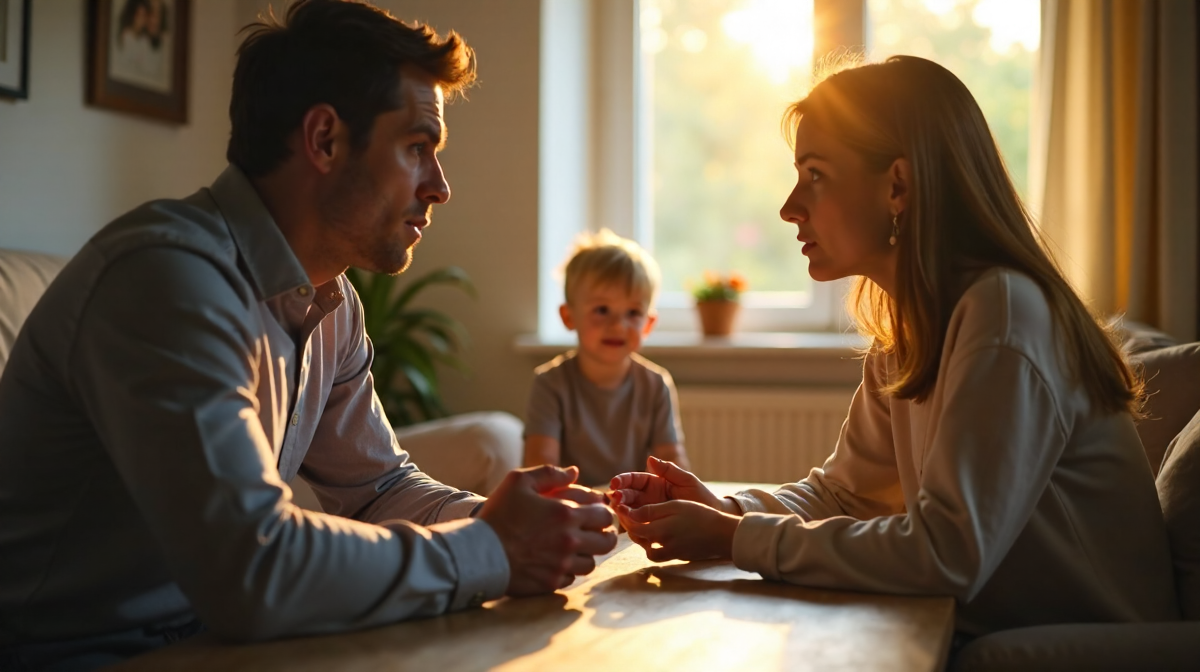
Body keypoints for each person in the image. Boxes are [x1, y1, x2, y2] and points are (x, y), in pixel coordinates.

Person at [0, 1, 616, 669]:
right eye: (417, 147)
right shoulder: (166, 278)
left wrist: (530, 524)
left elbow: (378, 490)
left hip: (210, 641)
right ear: (324, 139)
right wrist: (492, 549)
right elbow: (250, 567)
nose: (439, 187)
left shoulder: (330, 301)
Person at [610, 56, 1179, 640]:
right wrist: (725, 511)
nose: (789, 207)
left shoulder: (1004, 312)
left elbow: (948, 554)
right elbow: (843, 495)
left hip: (1085, 647)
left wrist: (734, 538)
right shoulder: (914, 328)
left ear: (898, 186)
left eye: (815, 175)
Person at [523, 229, 690, 487]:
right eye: (602, 310)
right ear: (568, 317)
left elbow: (671, 460)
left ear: (648, 324)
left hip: (633, 503)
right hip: (571, 503)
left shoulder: (656, 384)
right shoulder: (550, 383)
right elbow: (541, 465)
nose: (618, 325)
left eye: (633, 313)